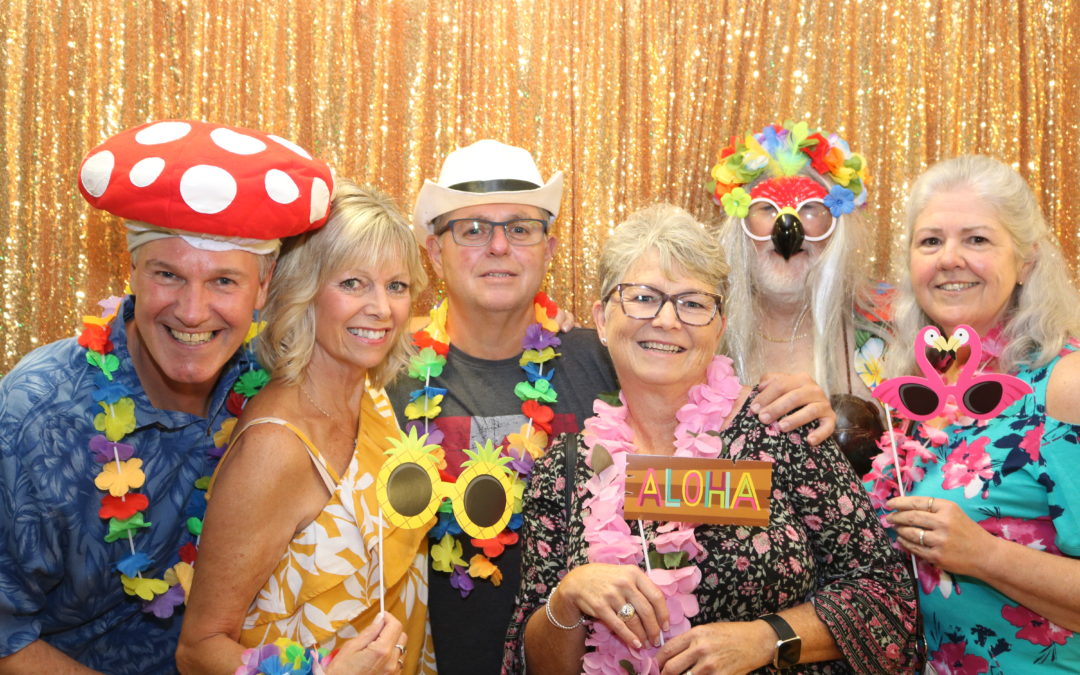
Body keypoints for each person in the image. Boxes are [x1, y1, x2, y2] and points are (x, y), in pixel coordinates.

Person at [389, 141, 837, 675]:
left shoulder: (608, 357)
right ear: (434, 253)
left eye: (521, 228)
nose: (499, 247)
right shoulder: (390, 379)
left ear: (550, 249)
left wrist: (797, 400)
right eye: (472, 229)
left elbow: (696, 377)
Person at [505, 204, 918, 674]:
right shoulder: (564, 470)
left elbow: (887, 600)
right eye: (642, 297)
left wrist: (769, 639)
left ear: (719, 327)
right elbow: (532, 662)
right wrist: (569, 597)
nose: (666, 320)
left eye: (693, 302)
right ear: (601, 320)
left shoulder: (782, 430)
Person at [0, 119, 333, 674]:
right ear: (132, 269)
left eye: (224, 281)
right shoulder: (36, 416)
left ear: (264, 286)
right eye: (168, 275)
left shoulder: (274, 390)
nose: (193, 311)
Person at [176, 179, 434, 674]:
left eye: (396, 286)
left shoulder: (373, 397)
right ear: (304, 289)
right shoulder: (277, 445)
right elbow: (199, 648)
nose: (381, 309)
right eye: (353, 283)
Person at [866, 155, 1080, 671]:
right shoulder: (921, 395)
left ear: (1026, 260)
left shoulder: (1063, 385)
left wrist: (984, 555)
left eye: (977, 240)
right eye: (931, 241)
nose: (949, 259)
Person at [709, 121, 888, 474]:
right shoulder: (701, 331)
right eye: (765, 209)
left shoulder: (887, 336)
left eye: (810, 209)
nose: (787, 228)